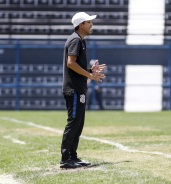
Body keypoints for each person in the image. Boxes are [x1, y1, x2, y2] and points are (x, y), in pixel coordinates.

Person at [61, 12, 106, 169]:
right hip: (73, 89)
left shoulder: (81, 41)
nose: (91, 24)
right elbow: (71, 63)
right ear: (81, 24)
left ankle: (73, 156)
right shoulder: (75, 40)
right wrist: (90, 75)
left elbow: (75, 65)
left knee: (78, 124)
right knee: (73, 123)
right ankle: (66, 159)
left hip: (79, 89)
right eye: (88, 22)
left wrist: (89, 70)